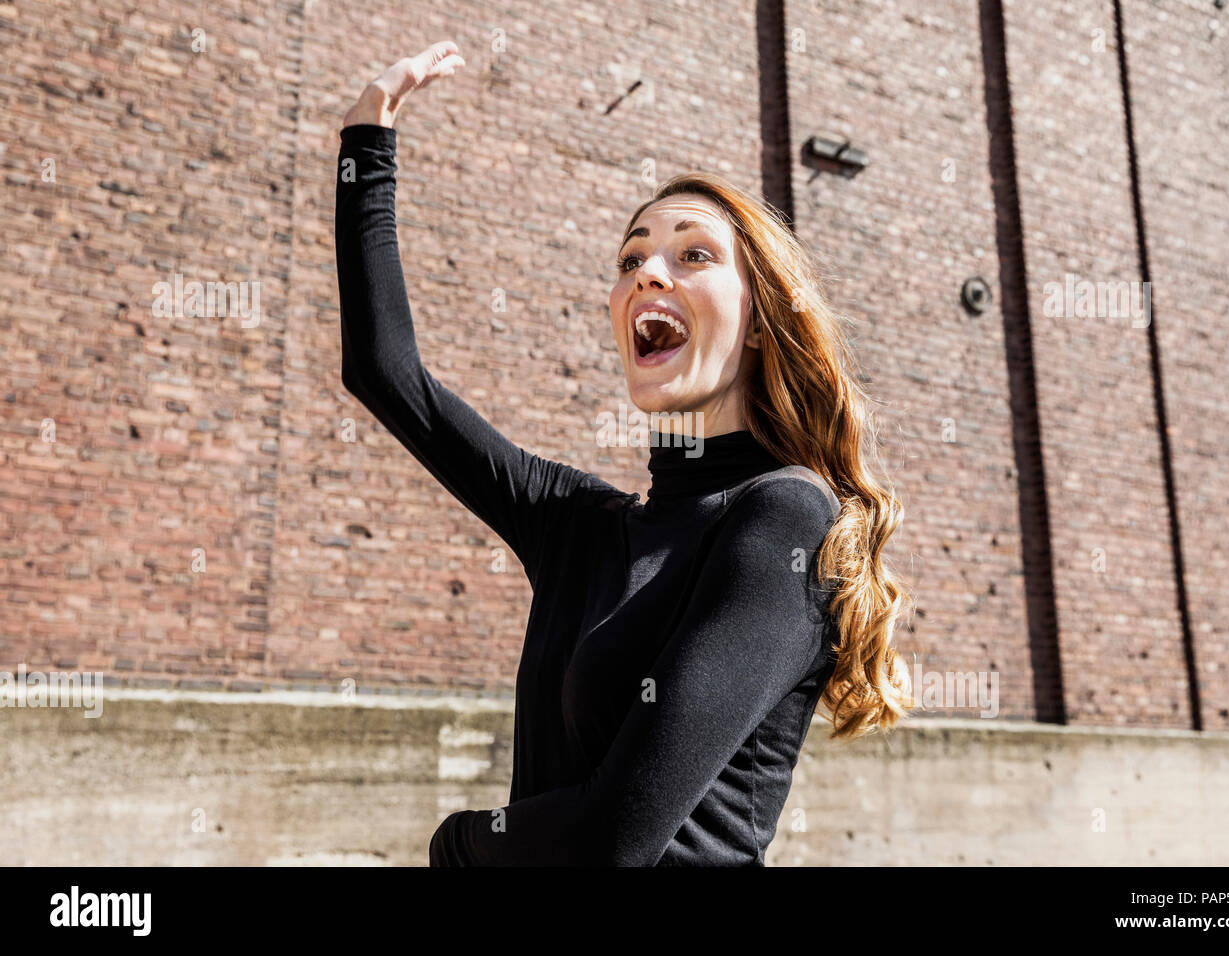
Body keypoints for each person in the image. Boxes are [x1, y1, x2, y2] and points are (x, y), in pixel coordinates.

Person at [335, 41, 915, 866]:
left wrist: (454, 843)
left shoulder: (784, 515)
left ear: (758, 321)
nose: (649, 271)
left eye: (694, 254)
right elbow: (387, 375)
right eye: (631, 257)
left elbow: (612, 838)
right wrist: (366, 147)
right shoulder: (580, 527)